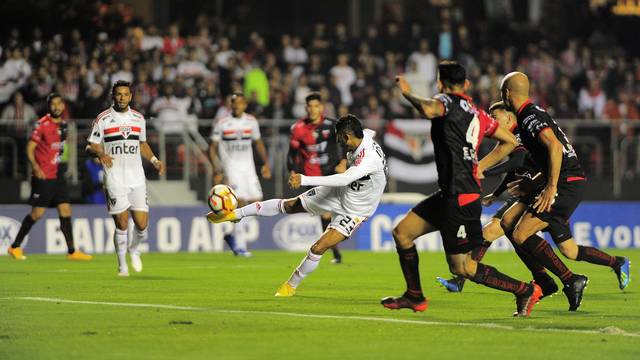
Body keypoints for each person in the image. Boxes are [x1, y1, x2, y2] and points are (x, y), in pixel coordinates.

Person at [381, 61, 542, 317]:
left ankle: (524, 290)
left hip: (461, 196)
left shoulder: (445, 101)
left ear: (440, 83)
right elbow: (510, 140)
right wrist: (479, 165)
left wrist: (407, 93)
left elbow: (428, 108)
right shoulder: (478, 113)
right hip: (451, 192)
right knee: (402, 233)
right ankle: (414, 296)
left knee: (463, 268)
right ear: (466, 84)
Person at [208, 115, 386, 297]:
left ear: (347, 136)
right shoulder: (363, 135)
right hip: (340, 193)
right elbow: (369, 133)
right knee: (289, 205)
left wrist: (305, 179)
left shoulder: (369, 158)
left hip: (356, 210)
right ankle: (235, 214)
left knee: (319, 247)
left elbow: (345, 178)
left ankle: (290, 286)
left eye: (340, 138)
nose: (339, 142)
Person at [499, 72, 630, 309]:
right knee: (569, 250)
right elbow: (546, 155)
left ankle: (569, 280)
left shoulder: (529, 116)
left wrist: (550, 187)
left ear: (507, 93)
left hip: (564, 184)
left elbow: (555, 147)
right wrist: (536, 184)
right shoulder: (532, 114)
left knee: (519, 233)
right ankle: (616, 262)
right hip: (566, 183)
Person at [436, 101, 558, 298]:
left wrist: (487, 171)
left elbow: (517, 162)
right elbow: (516, 169)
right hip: (526, 193)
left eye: (495, 117)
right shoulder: (510, 137)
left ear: (509, 118)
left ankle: (566, 279)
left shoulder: (520, 134)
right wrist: (497, 192)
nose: (492, 121)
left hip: (539, 192)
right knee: (508, 237)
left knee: (566, 247)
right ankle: (549, 281)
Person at [86, 80, 165, 276]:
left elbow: (142, 144)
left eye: (125, 94)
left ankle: (134, 249)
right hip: (114, 179)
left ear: (131, 96)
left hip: (136, 177)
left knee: (142, 225)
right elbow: (90, 145)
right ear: (113, 96)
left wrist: (155, 160)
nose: (122, 98)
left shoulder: (138, 119)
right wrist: (101, 154)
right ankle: (122, 265)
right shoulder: (103, 119)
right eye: (118, 94)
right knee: (121, 223)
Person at [7, 93, 92, 261]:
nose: (56, 107)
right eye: (53, 104)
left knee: (66, 209)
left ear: (63, 106)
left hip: (58, 175)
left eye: (59, 103)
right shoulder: (41, 124)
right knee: (37, 213)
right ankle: (14, 246)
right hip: (44, 176)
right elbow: (30, 148)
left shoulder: (65, 126)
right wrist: (36, 168)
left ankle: (72, 251)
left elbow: (59, 149)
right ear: (49, 106)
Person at [208, 93, 272, 257]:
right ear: (231, 105)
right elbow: (212, 147)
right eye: (234, 103)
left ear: (245, 105)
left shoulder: (251, 121)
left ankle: (232, 236)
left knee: (258, 203)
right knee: (241, 203)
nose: (237, 106)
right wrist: (217, 169)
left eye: (240, 103)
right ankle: (240, 246)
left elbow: (258, 143)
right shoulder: (222, 123)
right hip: (232, 168)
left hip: (249, 169)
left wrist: (265, 163)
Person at [288, 92, 347, 263]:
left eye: (316, 106)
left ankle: (332, 251)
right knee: (326, 215)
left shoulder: (332, 124)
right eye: (309, 106)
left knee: (330, 214)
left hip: (331, 174)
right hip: (312, 177)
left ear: (321, 107)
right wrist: (292, 170)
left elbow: (345, 144)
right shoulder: (298, 128)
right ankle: (333, 252)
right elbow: (292, 153)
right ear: (306, 108)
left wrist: (343, 162)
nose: (312, 109)